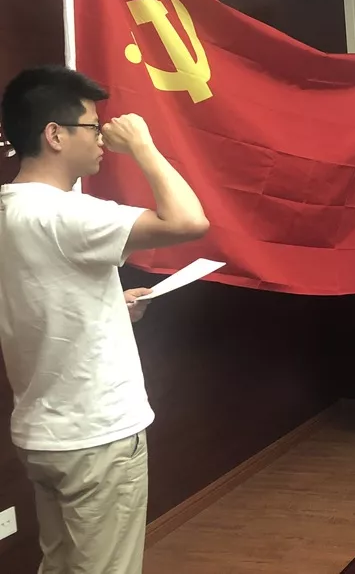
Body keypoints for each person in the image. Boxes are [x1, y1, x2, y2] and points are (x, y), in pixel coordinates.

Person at [0, 65, 209, 573]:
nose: (101, 139)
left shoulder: (10, 210)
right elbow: (189, 221)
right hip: (96, 434)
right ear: (55, 135)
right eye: (92, 127)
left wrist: (115, 305)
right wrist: (143, 145)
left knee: (60, 563)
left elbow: (38, 298)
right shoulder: (65, 214)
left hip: (42, 433)